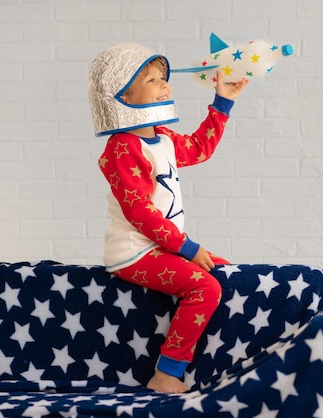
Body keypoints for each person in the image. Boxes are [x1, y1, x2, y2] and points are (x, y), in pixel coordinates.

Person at [87, 42, 248, 393]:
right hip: (135, 252)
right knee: (205, 286)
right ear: (124, 97)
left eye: (164, 78)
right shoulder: (122, 148)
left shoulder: (163, 139)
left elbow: (200, 147)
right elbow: (140, 212)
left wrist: (224, 101)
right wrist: (186, 247)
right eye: (152, 80)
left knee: (224, 270)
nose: (164, 85)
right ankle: (166, 373)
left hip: (163, 246)